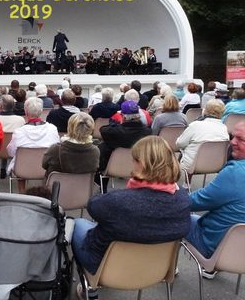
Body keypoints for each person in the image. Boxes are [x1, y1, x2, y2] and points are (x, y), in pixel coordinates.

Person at [72, 135, 191, 279]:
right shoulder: (183, 199)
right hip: (157, 269)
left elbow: (93, 205)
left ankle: (90, 288)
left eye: (134, 160)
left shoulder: (118, 202)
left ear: (141, 164)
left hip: (107, 269)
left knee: (77, 223)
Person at [185, 121, 245, 278]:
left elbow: (194, 202)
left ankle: (161, 269)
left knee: (177, 215)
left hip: (216, 247)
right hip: (239, 250)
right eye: (233, 137)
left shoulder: (235, 174)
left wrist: (169, 198)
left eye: (241, 139)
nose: (232, 142)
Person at [7, 97, 60, 193]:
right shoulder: (52, 129)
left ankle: (22, 192)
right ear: (41, 112)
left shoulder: (19, 132)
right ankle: (45, 193)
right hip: (45, 168)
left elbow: (11, 152)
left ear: (26, 112)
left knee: (19, 159)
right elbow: (56, 148)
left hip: (22, 169)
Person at [176, 99, 229, 176]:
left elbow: (179, 143)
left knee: (188, 149)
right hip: (217, 165)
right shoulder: (224, 128)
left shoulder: (195, 125)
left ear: (205, 110)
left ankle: (186, 184)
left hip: (193, 166)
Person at [99, 101, 152, 176]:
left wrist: (117, 124)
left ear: (123, 116)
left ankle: (102, 187)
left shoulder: (111, 132)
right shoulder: (148, 132)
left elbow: (102, 129)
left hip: (113, 167)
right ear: (138, 115)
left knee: (104, 146)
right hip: (141, 168)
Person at [42, 112, 99, 178]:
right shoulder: (95, 151)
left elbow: (44, 165)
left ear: (69, 128)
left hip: (57, 186)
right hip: (83, 187)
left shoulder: (55, 149)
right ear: (90, 130)